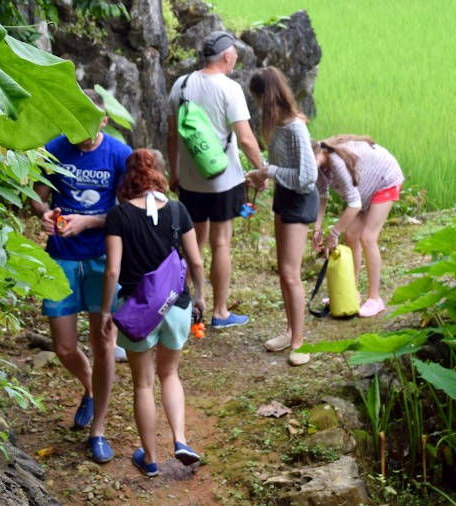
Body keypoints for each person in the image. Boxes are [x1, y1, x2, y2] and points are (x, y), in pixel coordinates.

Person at [30, 89, 132, 464]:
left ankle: (99, 429)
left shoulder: (120, 155)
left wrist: (89, 221)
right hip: (61, 258)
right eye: (78, 124)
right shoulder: (56, 147)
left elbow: (130, 212)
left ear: (105, 121)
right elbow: (37, 195)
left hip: (106, 259)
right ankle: (90, 388)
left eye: (92, 125)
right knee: (64, 347)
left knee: (104, 341)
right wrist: (43, 211)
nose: (84, 133)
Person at [101, 149, 206, 477]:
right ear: (159, 175)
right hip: (175, 307)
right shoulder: (177, 211)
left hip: (137, 312)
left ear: (128, 178)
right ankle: (180, 439)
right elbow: (198, 262)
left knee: (143, 385)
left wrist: (106, 312)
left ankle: (149, 459)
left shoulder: (119, 216)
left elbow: (112, 271)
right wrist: (201, 297)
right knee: (170, 373)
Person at [167, 30, 265, 329]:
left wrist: (175, 172)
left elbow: (172, 136)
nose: (235, 57)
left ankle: (182, 307)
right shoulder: (229, 88)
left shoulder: (181, 85)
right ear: (226, 56)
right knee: (221, 243)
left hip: (190, 181)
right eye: (234, 53)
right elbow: (247, 140)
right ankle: (220, 312)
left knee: (192, 243)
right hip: (224, 181)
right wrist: (261, 170)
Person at [245, 67, 318, 366]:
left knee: (291, 273)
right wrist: (263, 174)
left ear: (267, 95)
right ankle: (290, 332)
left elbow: (307, 177)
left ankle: (300, 342)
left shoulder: (295, 128)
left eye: (259, 98)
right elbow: (279, 166)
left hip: (300, 200)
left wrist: (269, 172)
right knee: (283, 272)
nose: (259, 105)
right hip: (284, 197)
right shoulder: (278, 124)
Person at [311, 135, 404, 317]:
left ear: (316, 153)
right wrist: (317, 227)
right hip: (362, 192)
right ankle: (350, 291)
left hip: (385, 182)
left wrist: (334, 233)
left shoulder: (335, 162)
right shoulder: (319, 167)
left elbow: (354, 205)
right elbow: (322, 195)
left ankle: (375, 298)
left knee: (368, 238)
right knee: (351, 236)